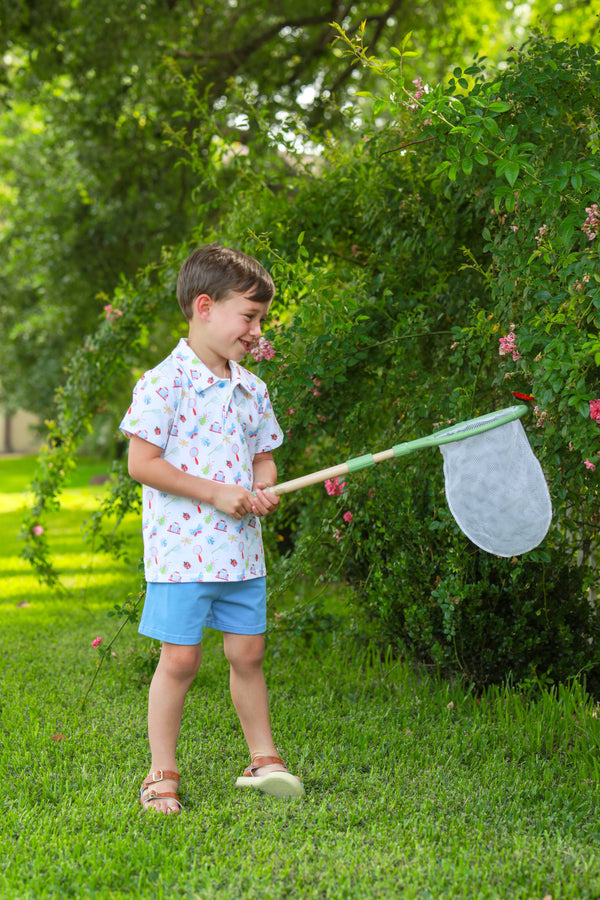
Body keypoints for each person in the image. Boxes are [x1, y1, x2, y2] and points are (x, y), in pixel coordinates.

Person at [119, 242, 304, 814]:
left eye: (260, 320)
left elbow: (264, 455)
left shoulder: (253, 389)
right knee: (180, 661)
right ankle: (161, 773)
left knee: (248, 654)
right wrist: (217, 492)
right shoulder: (163, 383)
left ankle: (263, 758)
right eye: (249, 316)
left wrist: (263, 483)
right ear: (205, 307)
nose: (256, 330)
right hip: (182, 556)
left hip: (241, 556)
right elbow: (141, 464)